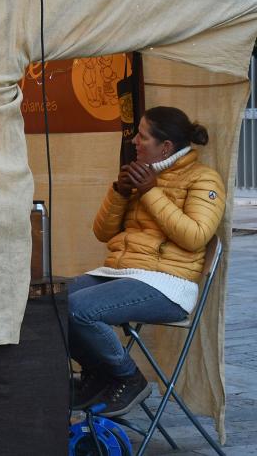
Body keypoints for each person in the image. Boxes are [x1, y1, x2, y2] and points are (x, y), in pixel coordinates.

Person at [70, 106, 225, 417]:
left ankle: (127, 378)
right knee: (52, 302)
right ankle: (99, 374)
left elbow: (195, 236)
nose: (134, 142)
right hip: (123, 272)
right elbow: (103, 232)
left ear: (164, 147)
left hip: (168, 283)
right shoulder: (141, 172)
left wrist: (151, 193)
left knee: (78, 309)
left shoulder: (203, 179)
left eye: (142, 137)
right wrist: (120, 193)